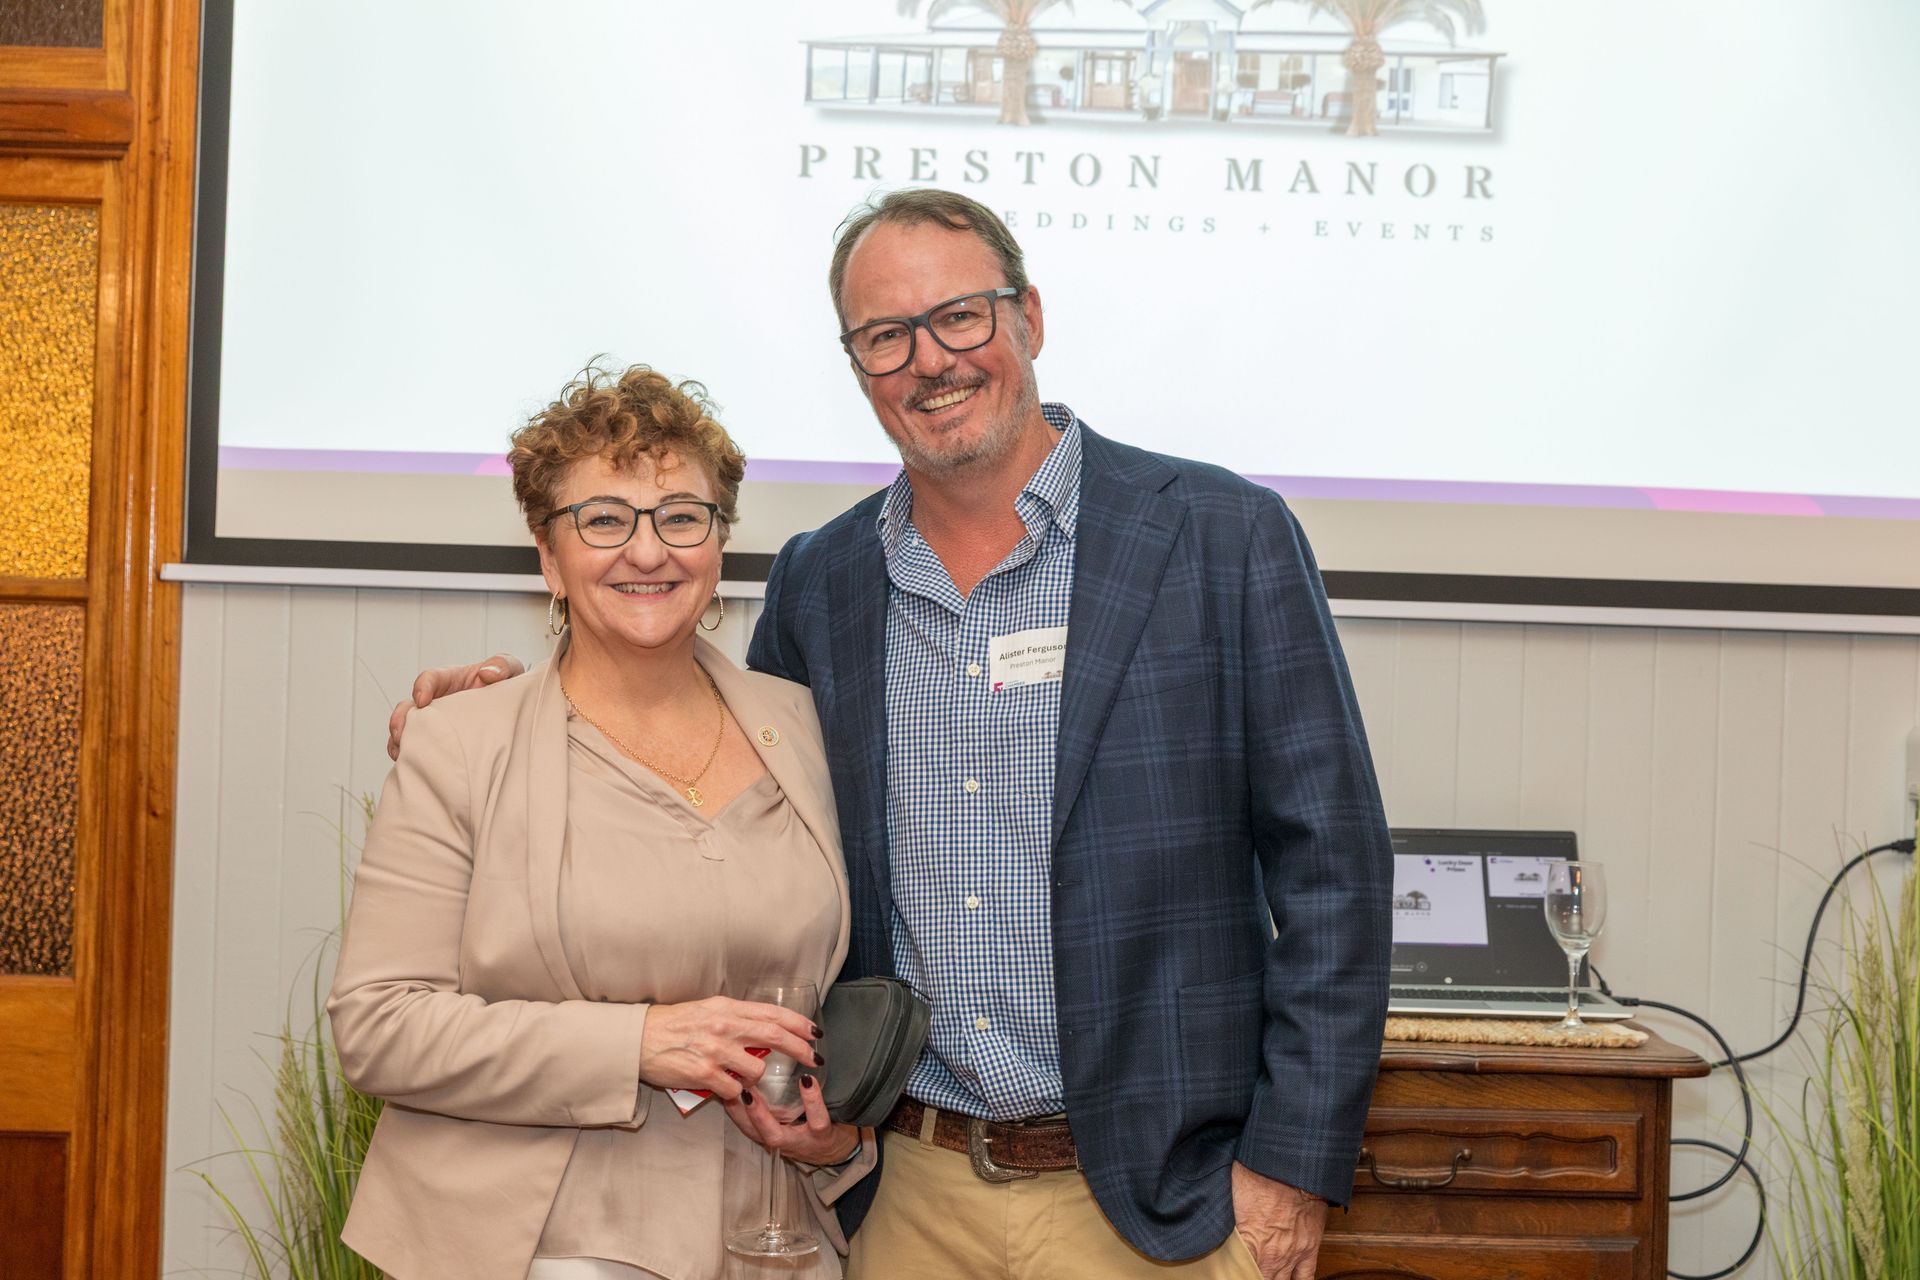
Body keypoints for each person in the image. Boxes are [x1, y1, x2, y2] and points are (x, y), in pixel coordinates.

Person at [396, 191, 1392, 1280]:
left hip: (1169, 1206)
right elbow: (712, 770)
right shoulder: (824, 582)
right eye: (886, 335)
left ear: (1031, 318)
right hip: (906, 1197)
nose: (932, 359)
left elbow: (1334, 870)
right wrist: (506, 703)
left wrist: (1289, 1168)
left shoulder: (1220, 536)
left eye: (961, 316)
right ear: (857, 363)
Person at [332, 365, 874, 1280]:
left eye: (680, 517)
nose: (648, 550)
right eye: (605, 519)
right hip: (546, 1244)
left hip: (776, 1240)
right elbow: (380, 1026)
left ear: (719, 544)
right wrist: (640, 1044)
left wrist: (840, 1138)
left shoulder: (812, 730)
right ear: (548, 556)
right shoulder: (463, 742)